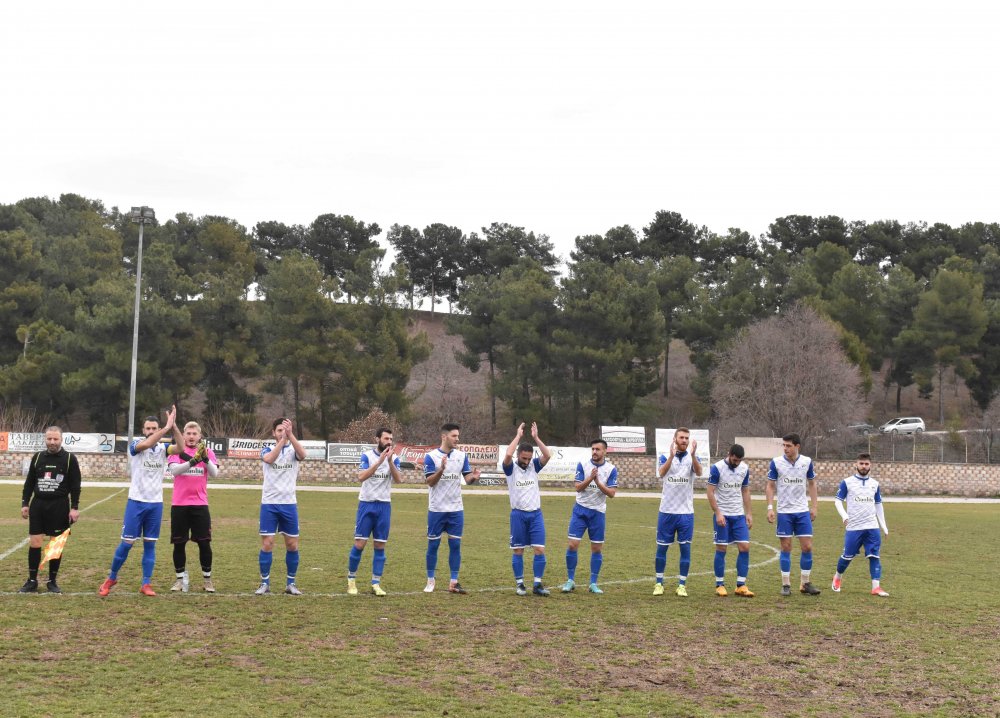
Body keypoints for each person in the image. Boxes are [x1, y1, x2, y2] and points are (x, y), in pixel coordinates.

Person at [99, 406, 176, 597]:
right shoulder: (136, 445)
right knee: (127, 543)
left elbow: (181, 448)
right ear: (143, 430)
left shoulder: (163, 449)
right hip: (136, 502)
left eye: (154, 428)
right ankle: (111, 577)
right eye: (148, 428)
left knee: (150, 544)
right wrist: (165, 429)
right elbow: (146, 444)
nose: (151, 431)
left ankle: (146, 583)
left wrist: (173, 428)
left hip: (155, 504)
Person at [19, 426, 82, 594]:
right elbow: (29, 482)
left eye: (55, 439)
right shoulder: (38, 457)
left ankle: (52, 582)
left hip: (59, 506)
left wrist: (74, 507)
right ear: (45, 439)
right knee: (35, 542)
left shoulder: (69, 459)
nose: (52, 442)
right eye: (49, 439)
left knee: (56, 545)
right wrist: (25, 503)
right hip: (38, 505)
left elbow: (76, 486)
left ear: (61, 440)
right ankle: (32, 581)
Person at [423, 423, 480, 594]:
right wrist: (441, 469)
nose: (457, 439)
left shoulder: (462, 456)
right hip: (437, 509)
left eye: (458, 436)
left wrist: (473, 478)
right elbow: (430, 482)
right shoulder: (430, 457)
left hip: (456, 509)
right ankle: (430, 580)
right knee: (433, 546)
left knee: (455, 545)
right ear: (444, 437)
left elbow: (467, 478)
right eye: (454, 436)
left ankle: (453, 582)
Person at [347, 427, 402, 597]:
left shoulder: (395, 458)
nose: (389, 442)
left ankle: (376, 583)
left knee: (380, 545)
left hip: (384, 506)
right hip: (367, 504)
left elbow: (399, 480)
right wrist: (379, 462)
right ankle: (351, 580)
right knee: (359, 544)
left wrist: (390, 461)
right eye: (386, 438)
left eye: (391, 439)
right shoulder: (367, 456)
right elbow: (361, 477)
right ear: (377, 439)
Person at [255, 418, 307, 596]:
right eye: (279, 430)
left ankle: (291, 583)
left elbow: (303, 455)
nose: (281, 433)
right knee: (267, 543)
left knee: (292, 545)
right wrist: (283, 441)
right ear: (273, 433)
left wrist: (290, 436)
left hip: (289, 504)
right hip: (269, 503)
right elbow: (269, 459)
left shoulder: (294, 450)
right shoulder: (267, 449)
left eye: (284, 430)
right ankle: (264, 583)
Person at [766, 433, 821, 596]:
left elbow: (812, 484)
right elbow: (770, 486)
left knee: (807, 546)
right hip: (784, 512)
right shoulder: (776, 463)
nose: (785, 448)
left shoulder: (807, 462)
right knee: (786, 547)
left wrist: (814, 506)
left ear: (797, 446)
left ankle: (805, 583)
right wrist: (770, 507)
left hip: (802, 511)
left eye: (788, 446)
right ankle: (786, 584)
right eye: (783, 445)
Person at [167, 421, 219, 592]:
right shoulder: (177, 450)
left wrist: (204, 459)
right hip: (179, 505)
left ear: (199, 436)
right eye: (188, 433)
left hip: (200, 505)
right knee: (179, 544)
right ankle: (180, 580)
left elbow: (215, 473)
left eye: (194, 434)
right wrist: (192, 461)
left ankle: (207, 580)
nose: (190, 436)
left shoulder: (208, 452)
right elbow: (174, 471)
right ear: (183, 435)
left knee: (204, 543)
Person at [501, 422, 552, 596]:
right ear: (518, 455)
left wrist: (536, 437)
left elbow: (547, 455)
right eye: (524, 458)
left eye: (529, 458)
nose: (527, 461)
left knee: (539, 549)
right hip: (518, 515)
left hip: (536, 514)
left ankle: (537, 584)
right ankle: (520, 584)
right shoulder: (510, 469)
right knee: (518, 550)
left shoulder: (533, 466)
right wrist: (518, 436)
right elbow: (508, 454)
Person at [561, 439, 617, 594]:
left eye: (598, 449)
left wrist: (598, 482)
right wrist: (590, 479)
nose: (594, 452)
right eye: (593, 449)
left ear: (605, 451)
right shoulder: (583, 465)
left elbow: (612, 494)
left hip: (597, 513)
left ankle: (593, 583)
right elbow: (578, 487)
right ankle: (570, 580)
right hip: (580, 510)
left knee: (596, 548)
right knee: (572, 544)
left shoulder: (611, 469)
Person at [832, 453, 890, 597]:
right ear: (856, 464)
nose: (864, 466)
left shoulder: (875, 484)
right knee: (847, 556)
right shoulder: (847, 482)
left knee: (874, 556)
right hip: (854, 527)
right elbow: (838, 501)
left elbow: (878, 505)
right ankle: (837, 577)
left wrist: (884, 525)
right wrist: (844, 515)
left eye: (866, 464)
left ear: (870, 466)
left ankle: (876, 587)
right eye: (861, 463)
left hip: (872, 526)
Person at [654, 427, 702, 597]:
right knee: (661, 550)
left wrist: (694, 455)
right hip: (666, 511)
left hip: (686, 513)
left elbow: (700, 472)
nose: (684, 440)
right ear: (675, 439)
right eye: (681, 437)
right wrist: (671, 456)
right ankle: (659, 583)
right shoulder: (664, 456)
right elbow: (661, 473)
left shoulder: (692, 457)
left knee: (685, 550)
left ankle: (682, 585)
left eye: (686, 438)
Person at [706, 444, 754, 597]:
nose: (736, 463)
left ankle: (741, 585)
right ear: (729, 454)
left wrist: (749, 513)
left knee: (745, 547)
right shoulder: (717, 468)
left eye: (739, 460)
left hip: (739, 515)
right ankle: (719, 584)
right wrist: (718, 513)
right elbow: (710, 492)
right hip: (723, 515)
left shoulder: (744, 469)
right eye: (734, 460)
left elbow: (745, 491)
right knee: (721, 549)